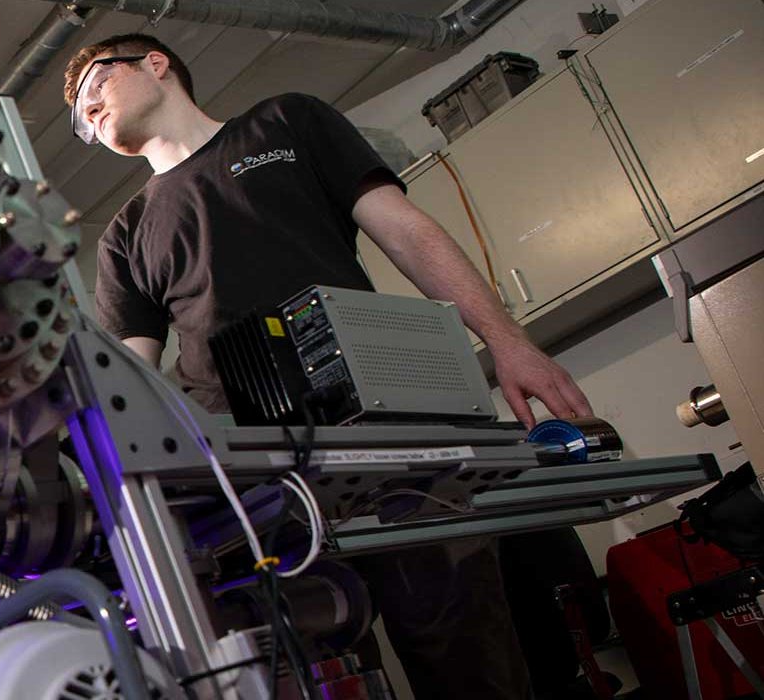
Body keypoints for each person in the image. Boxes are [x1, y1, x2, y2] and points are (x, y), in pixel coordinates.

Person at [63, 33, 596, 699]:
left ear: (154, 64)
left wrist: (509, 343)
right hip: (251, 478)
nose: (89, 115)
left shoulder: (287, 121)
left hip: (385, 438)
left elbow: (408, 232)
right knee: (316, 664)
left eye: (93, 91)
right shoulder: (127, 231)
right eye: (81, 119)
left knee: (461, 646)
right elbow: (132, 381)